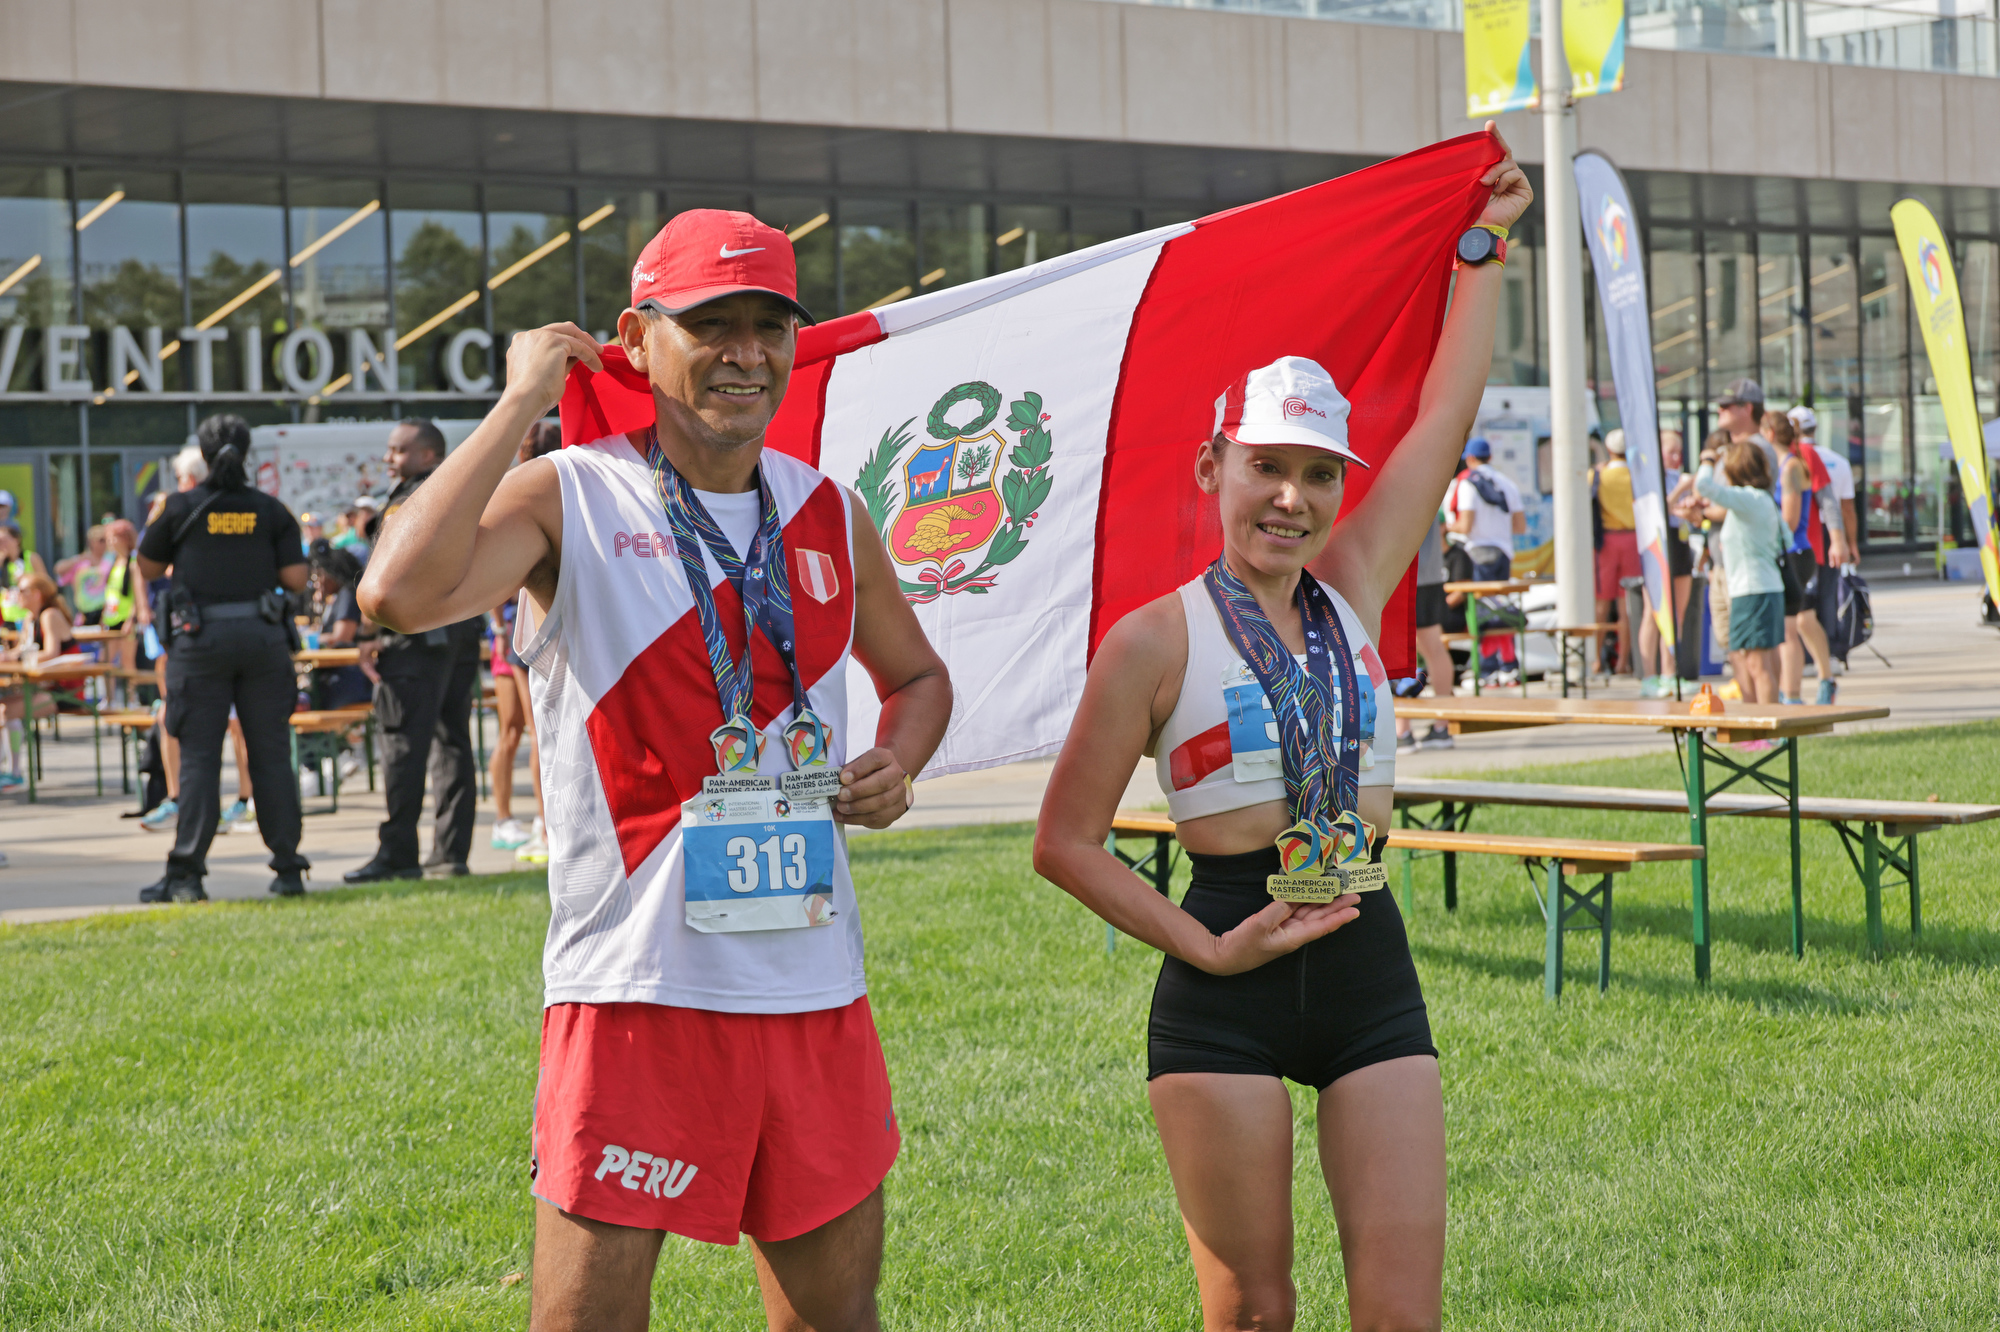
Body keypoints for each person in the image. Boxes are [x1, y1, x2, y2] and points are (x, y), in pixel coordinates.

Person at [359, 206, 953, 1331]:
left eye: (767, 325)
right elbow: (395, 593)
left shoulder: (828, 509)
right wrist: (518, 402)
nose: (744, 354)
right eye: (709, 324)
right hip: (633, 989)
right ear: (635, 339)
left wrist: (897, 763)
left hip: (812, 987)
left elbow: (919, 680)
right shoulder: (569, 493)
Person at [1034, 136, 1530, 1332]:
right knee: (1253, 1311)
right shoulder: (1151, 640)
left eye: (1316, 473)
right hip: (1223, 969)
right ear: (1215, 466)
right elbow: (1065, 844)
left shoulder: (1352, 586)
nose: (1291, 498)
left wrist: (1481, 250)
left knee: (1401, 1314)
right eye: (1266, 467)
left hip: (1367, 960)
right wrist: (1205, 954)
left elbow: (1444, 416)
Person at [133, 413, 311, 902]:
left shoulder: (180, 505)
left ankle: (187, 874)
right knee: (271, 755)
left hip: (200, 643)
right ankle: (289, 869)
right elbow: (295, 579)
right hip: (262, 641)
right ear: (247, 451)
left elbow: (147, 566)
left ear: (203, 455)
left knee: (198, 759)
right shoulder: (270, 509)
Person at [346, 420, 483, 883]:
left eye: (398, 451)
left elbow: (387, 577)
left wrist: (367, 635)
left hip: (415, 637)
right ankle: (450, 853)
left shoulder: (409, 499)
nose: (389, 459)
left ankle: (398, 854)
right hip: (461, 629)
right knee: (453, 742)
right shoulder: (459, 490)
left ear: (428, 455)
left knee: (403, 743)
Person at [488, 421, 561, 861]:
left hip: (512, 635)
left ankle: (507, 820)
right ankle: (541, 826)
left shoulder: (517, 490)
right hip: (524, 636)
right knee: (534, 733)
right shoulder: (541, 493)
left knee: (512, 733)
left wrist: (496, 629)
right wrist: (499, 629)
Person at [1693, 438, 1784, 711]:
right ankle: (1762, 727)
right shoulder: (1758, 501)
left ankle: (1766, 729)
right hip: (1759, 588)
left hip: (1753, 590)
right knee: (1757, 662)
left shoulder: (1748, 498)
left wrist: (1707, 459)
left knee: (1757, 665)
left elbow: (1704, 486)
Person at [1768, 412, 1838, 705]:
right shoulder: (1781, 463)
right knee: (1802, 622)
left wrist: (1838, 540)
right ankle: (1824, 680)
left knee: (1795, 625)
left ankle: (1794, 695)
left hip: (1798, 552)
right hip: (1797, 551)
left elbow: (1828, 502)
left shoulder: (1797, 461)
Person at [1447, 435, 1525, 683]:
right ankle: (1509, 665)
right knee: (1501, 609)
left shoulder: (1468, 483)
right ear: (1490, 457)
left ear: (1469, 459)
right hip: (1503, 552)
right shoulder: (1506, 482)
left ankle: (1487, 670)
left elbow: (1466, 524)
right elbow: (1520, 526)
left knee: (1482, 613)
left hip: (1478, 553)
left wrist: (1447, 528)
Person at [1637, 430, 1697, 695]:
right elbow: (1658, 510)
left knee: (1677, 614)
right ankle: (1648, 675)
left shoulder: (1679, 477)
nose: (1676, 458)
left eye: (1678, 452)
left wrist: (1691, 507)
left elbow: (1692, 514)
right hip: (1657, 543)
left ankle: (1669, 672)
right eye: (1670, 452)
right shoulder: (1648, 478)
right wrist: (1681, 490)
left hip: (1680, 541)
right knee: (1654, 611)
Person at [1396, 514, 1456, 753]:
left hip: (1403, 571)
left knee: (1399, 650)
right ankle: (1442, 726)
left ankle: (1403, 730)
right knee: (1434, 649)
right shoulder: (1430, 475)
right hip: (1428, 573)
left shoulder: (1397, 476)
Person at [1591, 428, 1641, 676]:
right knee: (1626, 604)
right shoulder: (1636, 475)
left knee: (1601, 603)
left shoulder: (1597, 475)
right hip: (1633, 539)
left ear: (1609, 450)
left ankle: (1596, 660)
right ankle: (1623, 661)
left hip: (1607, 542)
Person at [308, 548, 372, 708]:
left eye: (321, 575)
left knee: (302, 700)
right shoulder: (341, 596)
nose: (318, 581)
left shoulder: (348, 595)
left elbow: (342, 637)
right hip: (348, 676)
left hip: (348, 679)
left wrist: (310, 638)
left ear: (333, 573)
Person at [56, 524, 111, 625]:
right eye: (101, 540)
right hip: (85, 613)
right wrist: (79, 558)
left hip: (106, 612)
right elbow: (58, 569)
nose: (105, 543)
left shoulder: (112, 559)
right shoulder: (82, 562)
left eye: (107, 540)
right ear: (91, 542)